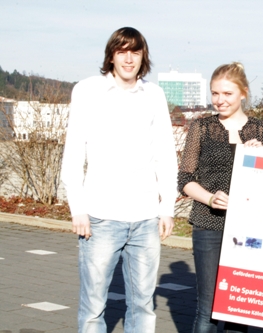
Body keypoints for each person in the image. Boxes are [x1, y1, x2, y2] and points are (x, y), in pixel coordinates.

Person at [60, 27, 178, 332]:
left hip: (145, 218)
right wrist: (78, 209)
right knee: (93, 306)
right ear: (111, 55)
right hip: (100, 217)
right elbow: (73, 153)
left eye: (135, 52)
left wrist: (166, 208)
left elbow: (165, 153)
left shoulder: (154, 94)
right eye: (122, 51)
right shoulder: (87, 90)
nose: (128, 58)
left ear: (143, 56)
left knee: (142, 305)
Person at [178, 62, 263, 333]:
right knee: (207, 308)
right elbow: (185, 179)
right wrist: (210, 199)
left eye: (227, 94)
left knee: (238, 308)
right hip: (208, 225)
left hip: (249, 228)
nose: (219, 101)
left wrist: (261, 158)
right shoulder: (202, 128)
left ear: (243, 93)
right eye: (215, 94)